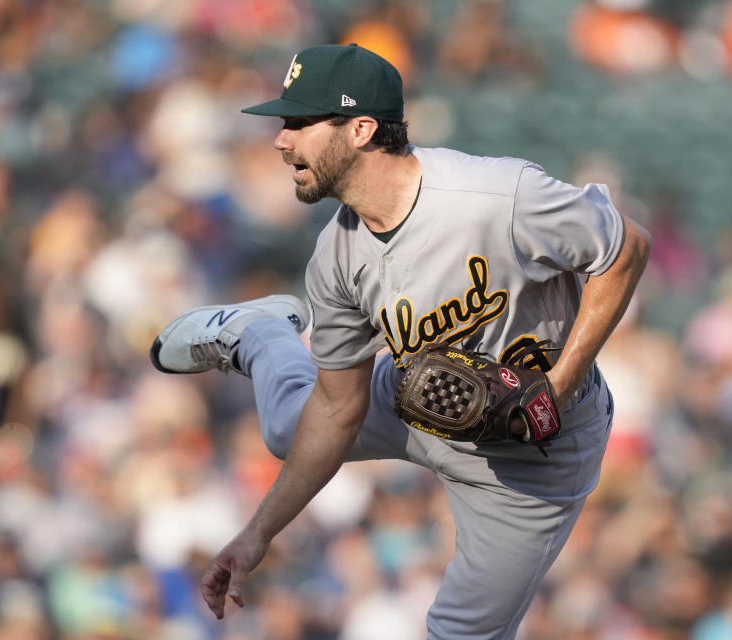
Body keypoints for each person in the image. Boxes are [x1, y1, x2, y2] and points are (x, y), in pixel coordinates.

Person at [150, 43, 651, 639]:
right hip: (425, 395)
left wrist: (560, 386)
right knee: (290, 428)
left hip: (531, 458)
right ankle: (260, 334)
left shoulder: (495, 198)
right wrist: (258, 533)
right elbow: (337, 410)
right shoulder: (335, 257)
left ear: (361, 128)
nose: (282, 141)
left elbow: (626, 248)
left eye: (299, 123)